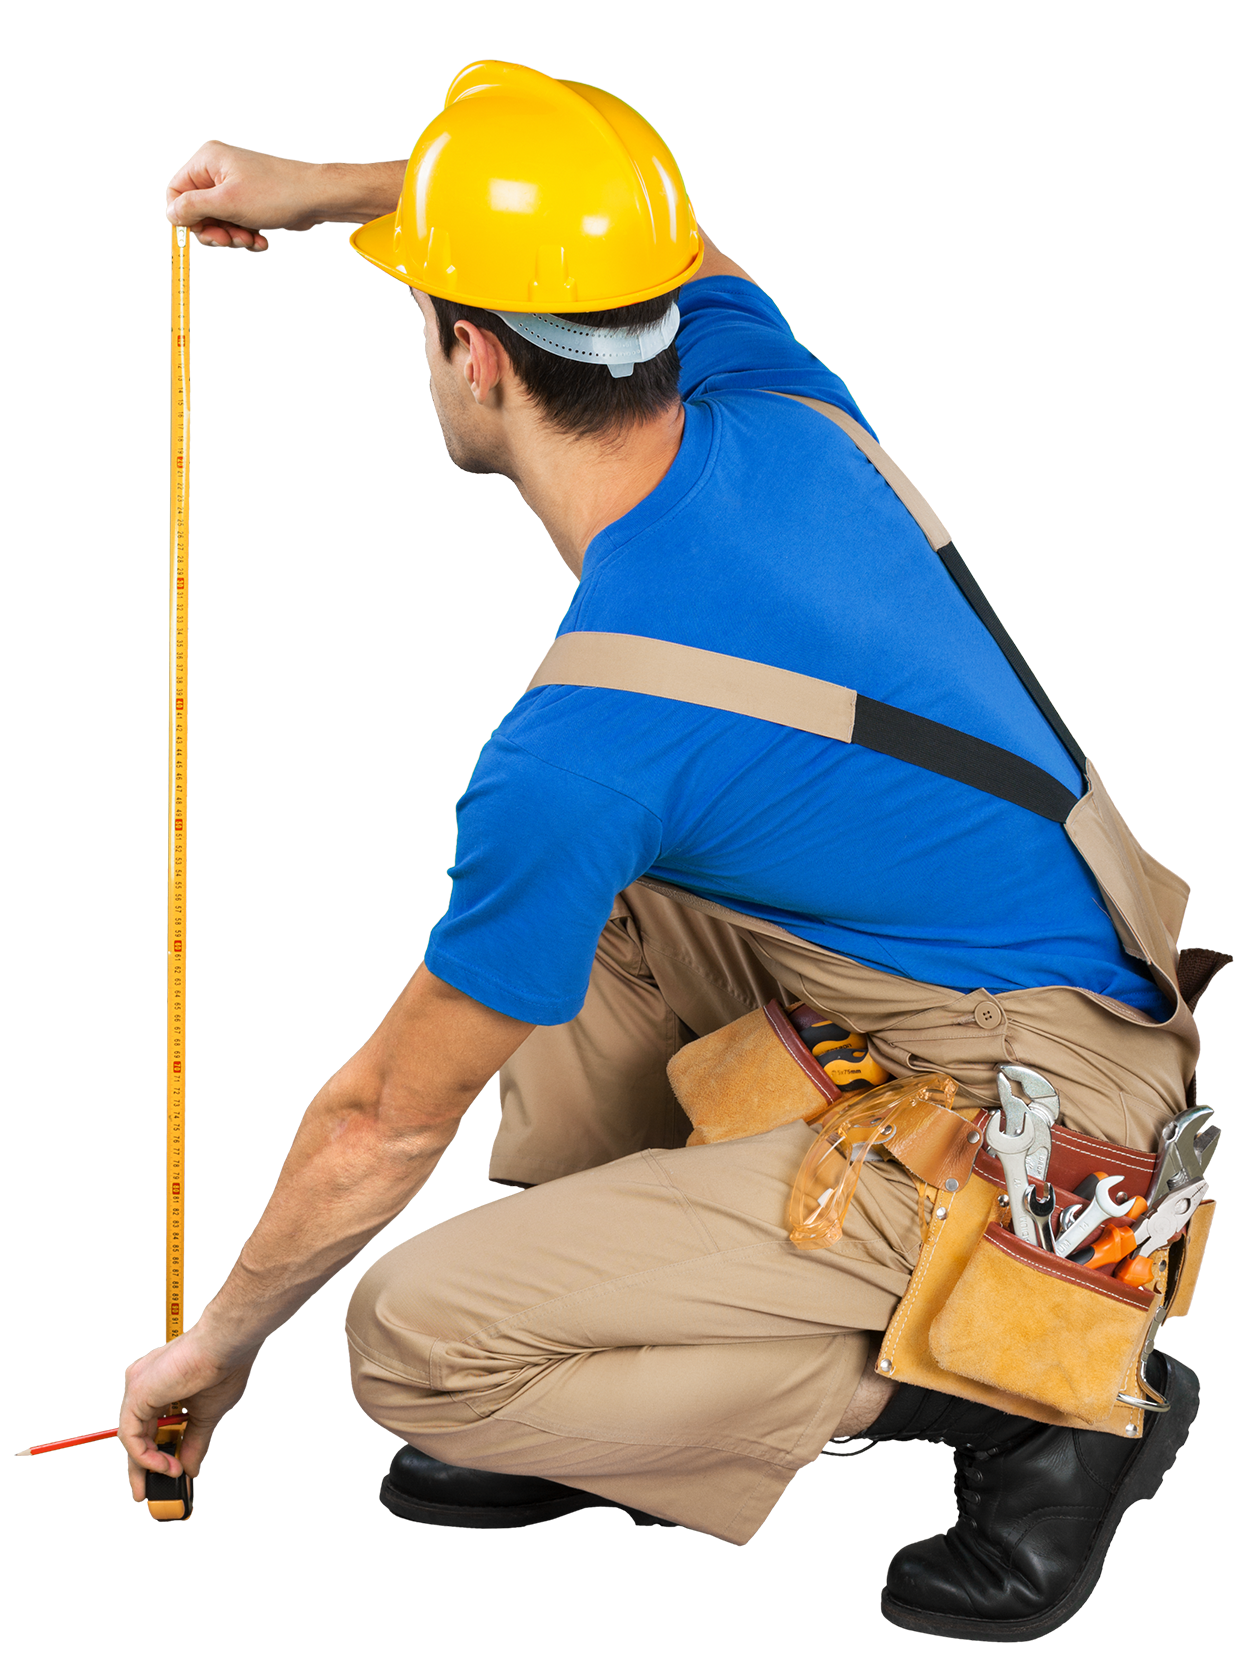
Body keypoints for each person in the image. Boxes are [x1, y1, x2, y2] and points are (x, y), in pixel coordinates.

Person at [126, 62, 1217, 1638]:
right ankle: (624, 1340)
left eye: (421, 315)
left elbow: (381, 1119)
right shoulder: (767, 390)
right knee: (608, 904)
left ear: (474, 356)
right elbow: (675, 242)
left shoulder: (583, 739)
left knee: (409, 1346)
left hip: (1045, 1125)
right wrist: (323, 189)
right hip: (1003, 962)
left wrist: (218, 1343)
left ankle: (1047, 1400)